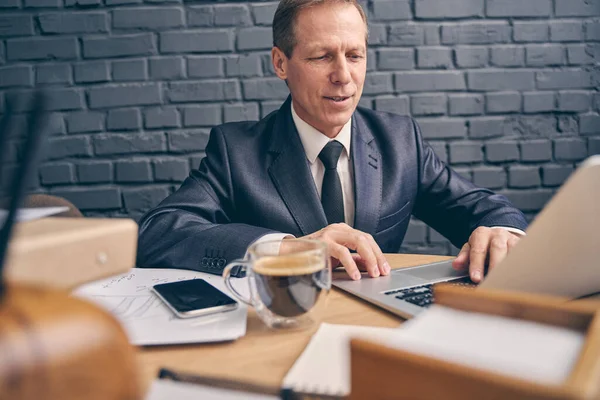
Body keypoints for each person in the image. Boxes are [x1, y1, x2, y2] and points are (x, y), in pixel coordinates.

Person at [137, 0, 527, 283]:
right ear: (280, 64)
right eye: (322, 57)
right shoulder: (234, 151)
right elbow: (158, 232)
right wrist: (285, 249)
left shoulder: (400, 140)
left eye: (355, 55)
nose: (344, 76)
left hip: (378, 331)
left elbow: (484, 209)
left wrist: (499, 231)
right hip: (282, 329)